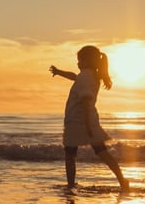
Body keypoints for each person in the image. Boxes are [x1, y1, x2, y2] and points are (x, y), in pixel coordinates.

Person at [50, 45, 129, 190]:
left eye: (80, 60)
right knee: (101, 151)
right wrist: (59, 72)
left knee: (70, 154)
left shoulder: (85, 76)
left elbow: (86, 99)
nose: (78, 63)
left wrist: (86, 124)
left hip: (78, 120)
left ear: (88, 61)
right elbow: (74, 76)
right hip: (88, 119)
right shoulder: (91, 75)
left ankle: (71, 185)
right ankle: (122, 180)